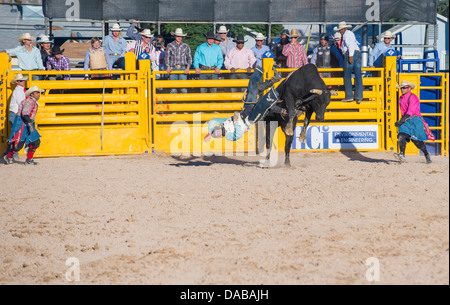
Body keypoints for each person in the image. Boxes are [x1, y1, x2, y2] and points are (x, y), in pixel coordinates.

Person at [204, 67, 283, 142]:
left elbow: (213, 121)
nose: (218, 133)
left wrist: (209, 132)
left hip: (246, 110)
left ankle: (272, 78)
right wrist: (235, 122)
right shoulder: (228, 136)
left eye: (216, 132)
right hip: (250, 119)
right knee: (262, 104)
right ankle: (281, 108)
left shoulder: (223, 122)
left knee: (253, 89)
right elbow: (238, 134)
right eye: (217, 135)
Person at [3, 85, 44, 166]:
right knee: (19, 144)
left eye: (39, 93)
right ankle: (8, 156)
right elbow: (25, 114)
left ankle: (28, 159)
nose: (38, 94)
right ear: (32, 94)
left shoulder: (31, 101)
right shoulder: (29, 101)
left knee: (35, 141)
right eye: (37, 93)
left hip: (26, 122)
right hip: (23, 123)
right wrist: (30, 125)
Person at [394, 81, 433, 164]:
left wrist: (401, 121)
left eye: (404, 88)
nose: (402, 89)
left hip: (415, 120)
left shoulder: (413, 97)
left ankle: (426, 154)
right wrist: (402, 120)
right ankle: (402, 155)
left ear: (409, 88)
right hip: (406, 120)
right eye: (402, 88)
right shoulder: (401, 98)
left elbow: (411, 111)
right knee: (401, 135)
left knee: (417, 142)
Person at [335, 21, 363, 104]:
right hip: (357, 53)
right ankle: (359, 96)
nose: (340, 31)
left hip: (351, 53)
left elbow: (350, 45)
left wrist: (350, 56)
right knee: (358, 75)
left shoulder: (347, 34)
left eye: (340, 30)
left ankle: (349, 96)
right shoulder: (350, 34)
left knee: (347, 75)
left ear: (344, 29)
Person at [3, 73, 28, 160]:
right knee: (17, 136)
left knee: (16, 136)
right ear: (17, 82)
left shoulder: (19, 91)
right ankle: (10, 155)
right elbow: (22, 103)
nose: (23, 82)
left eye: (23, 80)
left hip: (15, 115)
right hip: (16, 115)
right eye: (21, 80)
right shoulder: (18, 91)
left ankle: (9, 154)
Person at [165, 28, 192, 94]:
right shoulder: (169, 45)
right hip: (173, 68)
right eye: (178, 36)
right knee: (173, 89)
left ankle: (184, 103)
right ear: (175, 36)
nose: (179, 38)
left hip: (182, 68)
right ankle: (173, 104)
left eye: (180, 36)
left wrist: (188, 67)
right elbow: (167, 57)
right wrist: (168, 67)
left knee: (184, 89)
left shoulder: (186, 46)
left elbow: (189, 57)